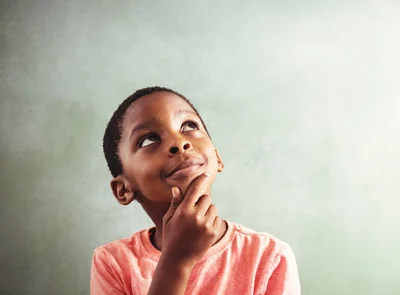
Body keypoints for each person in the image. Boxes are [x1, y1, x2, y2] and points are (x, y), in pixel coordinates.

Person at [90, 86, 301, 294]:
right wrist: (176, 262)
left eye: (189, 126)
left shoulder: (270, 257)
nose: (180, 143)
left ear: (217, 158)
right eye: (150, 139)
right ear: (123, 189)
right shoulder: (112, 263)